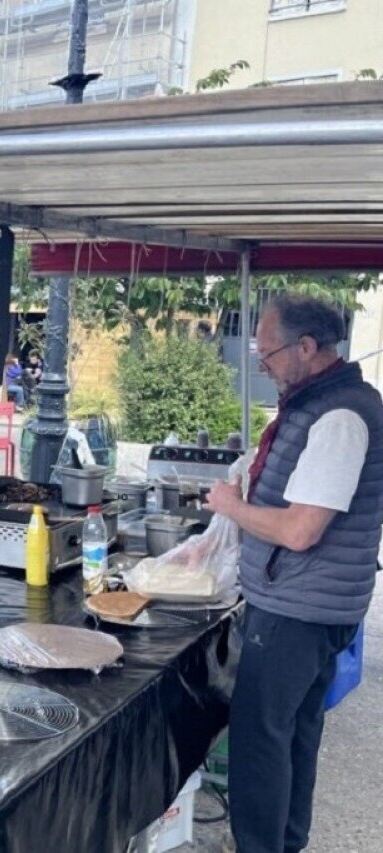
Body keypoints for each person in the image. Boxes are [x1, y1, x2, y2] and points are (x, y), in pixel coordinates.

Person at [204, 295, 383, 853]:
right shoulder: (321, 403)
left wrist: (230, 508)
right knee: (296, 734)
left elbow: (303, 529)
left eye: (270, 355)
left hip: (297, 610)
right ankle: (286, 843)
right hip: (314, 605)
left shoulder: (340, 417)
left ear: (308, 347)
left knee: (262, 740)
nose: (265, 366)